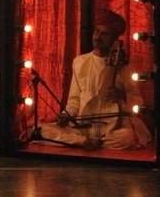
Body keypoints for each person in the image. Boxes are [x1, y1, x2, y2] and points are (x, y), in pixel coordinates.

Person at [38, 9, 152, 150]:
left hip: (112, 127)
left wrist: (122, 96)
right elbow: (74, 100)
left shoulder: (123, 66)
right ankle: (84, 141)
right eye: (96, 31)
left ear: (115, 39)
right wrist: (66, 115)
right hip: (83, 126)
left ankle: (85, 142)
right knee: (42, 130)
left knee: (127, 137)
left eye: (104, 34)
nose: (97, 37)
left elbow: (138, 101)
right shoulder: (80, 62)